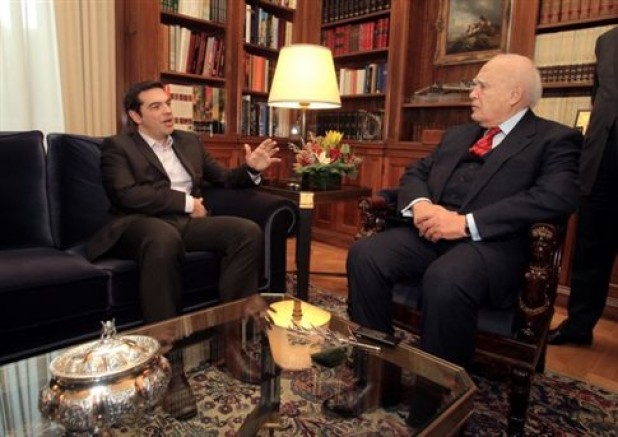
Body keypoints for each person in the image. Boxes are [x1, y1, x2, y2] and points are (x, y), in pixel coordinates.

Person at [347, 54, 581, 367]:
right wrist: (421, 205)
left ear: (514, 94)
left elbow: (556, 196)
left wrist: (466, 223)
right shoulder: (457, 135)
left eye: (482, 86)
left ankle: (439, 390)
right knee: (366, 254)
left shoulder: (554, 139)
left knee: (446, 278)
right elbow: (416, 172)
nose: (472, 93)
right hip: (430, 233)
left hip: (491, 245)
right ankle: (376, 366)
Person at [87, 80, 280, 323]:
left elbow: (223, 178)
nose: (167, 111)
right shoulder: (118, 146)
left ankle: (233, 325)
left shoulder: (189, 141)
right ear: (136, 116)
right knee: (163, 237)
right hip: (139, 223)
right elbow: (127, 194)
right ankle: (165, 335)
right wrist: (187, 203)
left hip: (186, 223)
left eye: (167, 104)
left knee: (246, 232)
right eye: (156, 107)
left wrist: (251, 169)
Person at [549, 26, 618, 346]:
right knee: (590, 249)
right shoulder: (607, 40)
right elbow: (599, 97)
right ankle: (578, 326)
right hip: (602, 158)